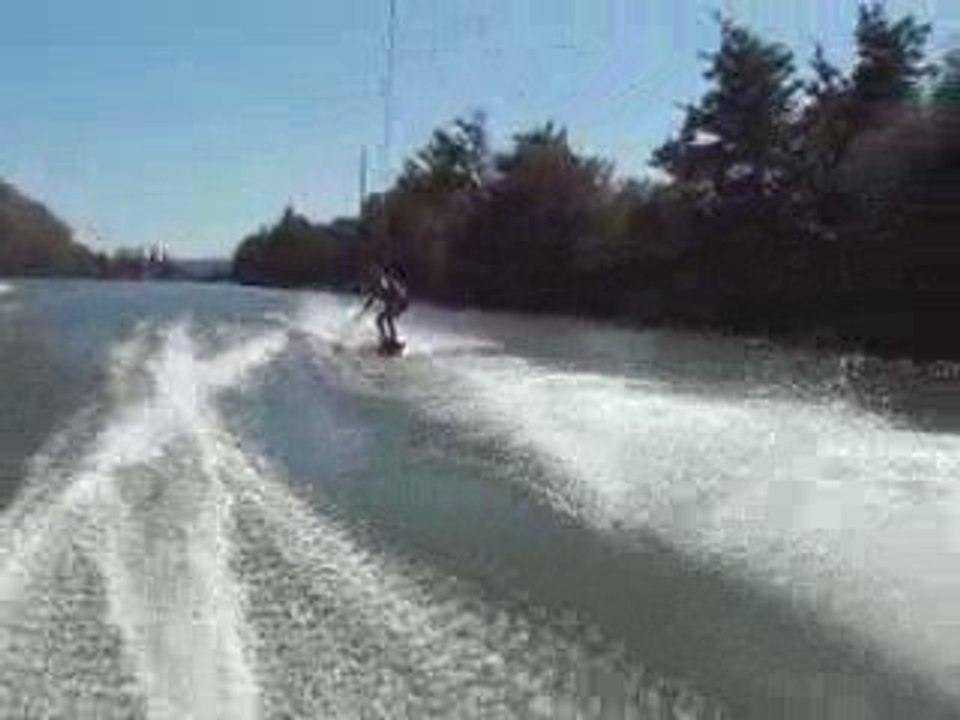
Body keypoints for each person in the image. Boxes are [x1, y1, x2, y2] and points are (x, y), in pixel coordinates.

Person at [362, 264, 408, 348]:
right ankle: (385, 338)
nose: (373, 275)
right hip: (392, 303)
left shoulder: (385, 281)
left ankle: (393, 339)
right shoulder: (376, 284)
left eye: (375, 273)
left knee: (387, 319)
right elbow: (372, 297)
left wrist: (397, 305)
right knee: (380, 320)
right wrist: (364, 310)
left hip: (399, 302)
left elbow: (398, 293)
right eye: (372, 273)